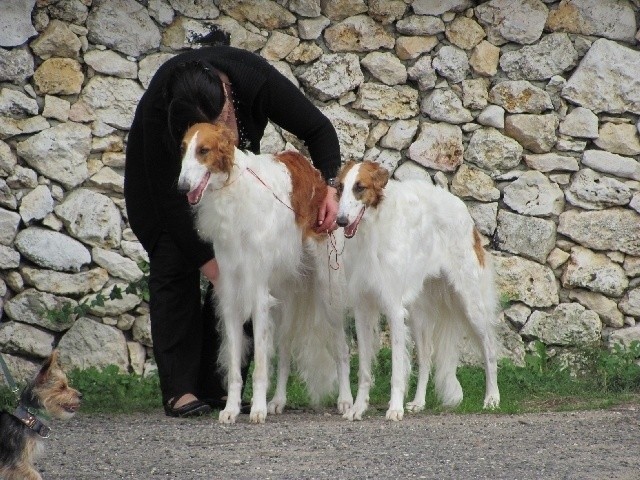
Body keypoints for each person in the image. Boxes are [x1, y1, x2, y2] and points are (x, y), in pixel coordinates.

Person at [124, 31, 341, 418]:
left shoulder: (252, 78)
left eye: (217, 119)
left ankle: (220, 383)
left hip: (227, 184)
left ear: (225, 96)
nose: (214, 126)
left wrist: (328, 187)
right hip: (159, 195)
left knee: (240, 274)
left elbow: (319, 130)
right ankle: (181, 390)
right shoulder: (161, 106)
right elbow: (169, 201)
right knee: (177, 263)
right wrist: (210, 265)